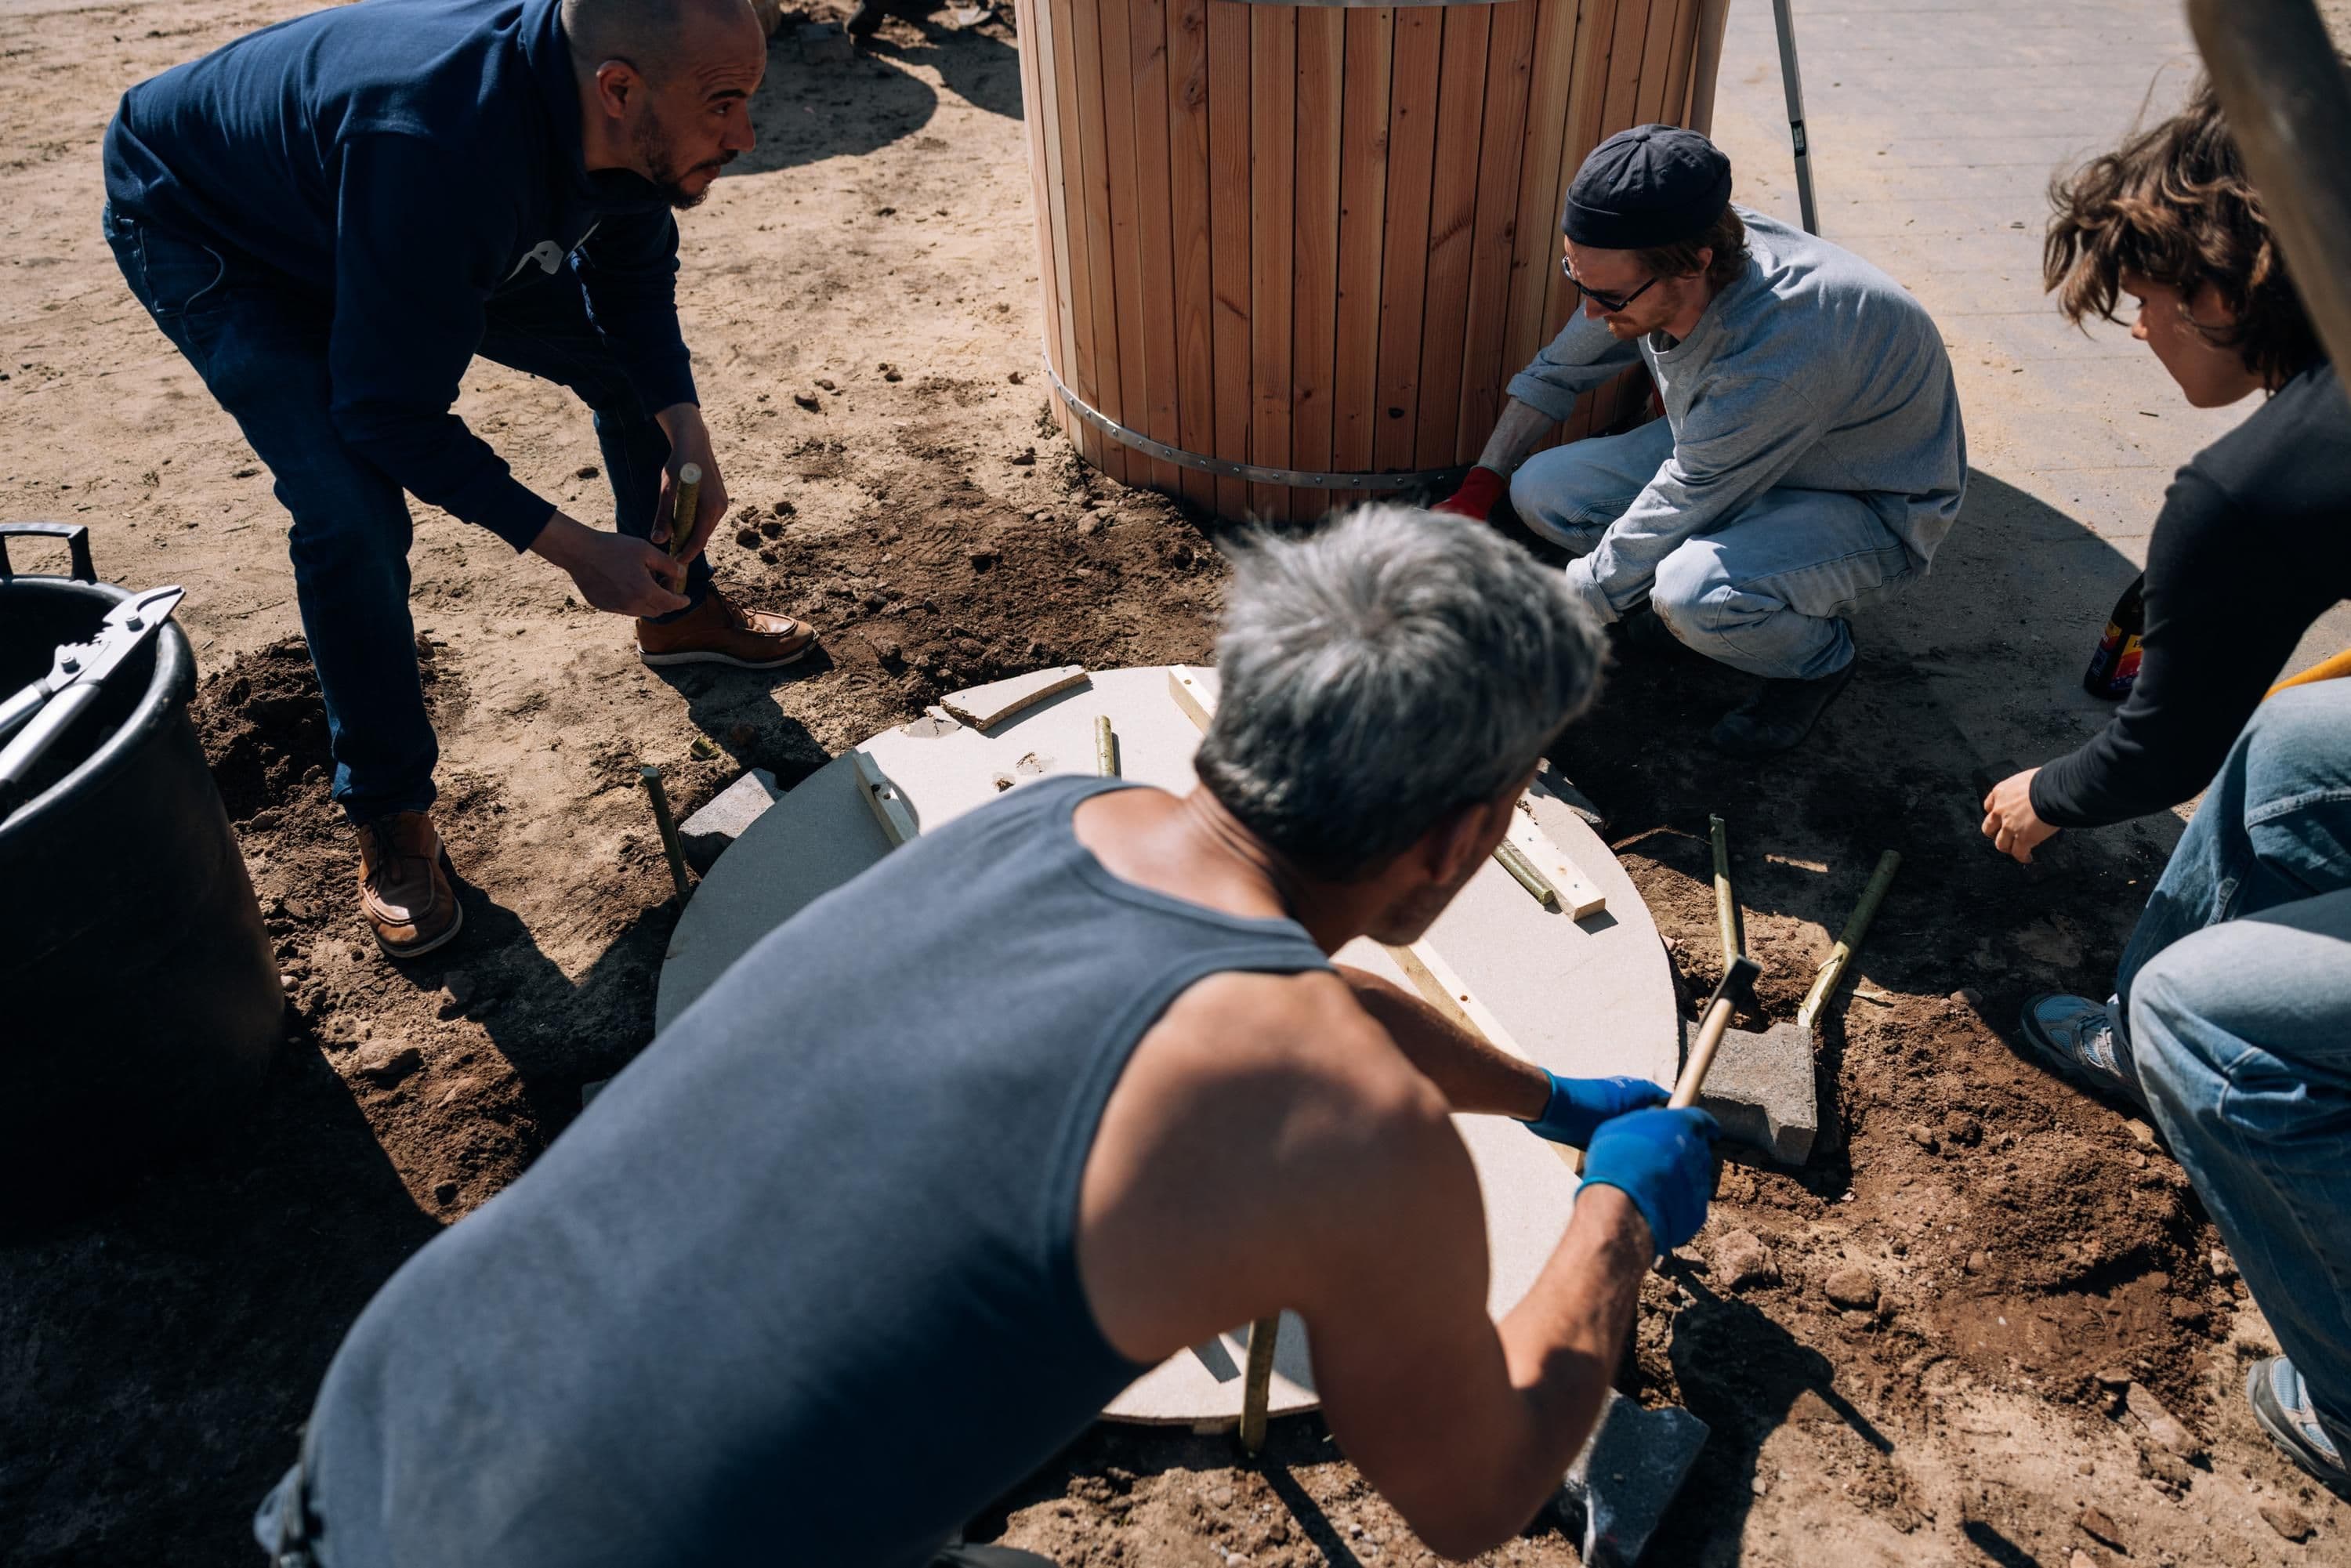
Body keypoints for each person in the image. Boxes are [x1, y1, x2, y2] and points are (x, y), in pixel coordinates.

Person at [251, 506, 1720, 1567]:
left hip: (395, 1421)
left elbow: (1303, 1003)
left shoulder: (1071, 817)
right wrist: (1615, 1217)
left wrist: (1540, 1097)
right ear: (1461, 836)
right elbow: (1469, 1496)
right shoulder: (1343, 1125)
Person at [101, 0, 819, 960]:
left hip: (380, 203)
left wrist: (685, 430)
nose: (747, 136)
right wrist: (575, 550)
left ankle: (678, 613)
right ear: (617, 88)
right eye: (724, 103)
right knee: (350, 511)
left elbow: (632, 284)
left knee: (629, 378)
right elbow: (387, 412)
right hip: (216, 223)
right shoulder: (441, 150)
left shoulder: (613, 114)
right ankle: (389, 810)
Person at [1978, 81, 2351, 1499]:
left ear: (2222, 288)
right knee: (2299, 743)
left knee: (2217, 1019)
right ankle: (2145, 1046)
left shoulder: (2249, 490)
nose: (2136, 327)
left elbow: (2159, 751)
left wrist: (2047, 792)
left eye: (2145, 296)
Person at [1436, 125, 1966, 758]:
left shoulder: (1777, 350)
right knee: (1544, 490)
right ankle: (1683, 602)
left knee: (1696, 595)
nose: (1593, 312)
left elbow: (1688, 493)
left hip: (1866, 502)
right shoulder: (1663, 244)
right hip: (1737, 451)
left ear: (1693, 266)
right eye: (1577, 279)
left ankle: (1817, 661)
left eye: (1608, 296)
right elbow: (1559, 371)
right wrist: (1480, 485)